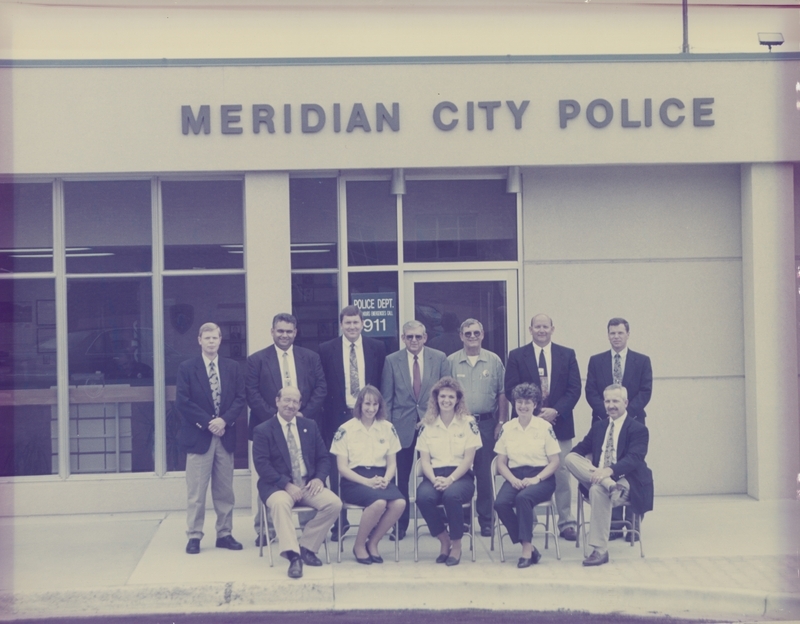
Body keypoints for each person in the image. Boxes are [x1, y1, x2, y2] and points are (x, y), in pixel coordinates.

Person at [246, 312, 327, 545]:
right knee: (270, 477)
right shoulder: (257, 360)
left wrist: (301, 415)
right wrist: (278, 418)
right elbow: (252, 393)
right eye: (280, 331)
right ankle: (266, 531)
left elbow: (321, 388)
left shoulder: (310, 357)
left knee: (306, 472)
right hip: (268, 427)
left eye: (289, 331)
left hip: (302, 427)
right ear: (272, 332)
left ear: (295, 332)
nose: (284, 335)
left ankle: (310, 532)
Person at [504, 313, 581, 542]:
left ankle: (566, 522)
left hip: (560, 424)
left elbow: (574, 389)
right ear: (530, 329)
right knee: (526, 468)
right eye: (537, 327)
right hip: (527, 424)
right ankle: (530, 520)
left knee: (562, 473)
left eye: (545, 327)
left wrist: (555, 411)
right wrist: (537, 414)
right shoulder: (517, 355)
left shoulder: (567, 354)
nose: (541, 330)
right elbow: (511, 389)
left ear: (552, 329)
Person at [252, 386, 342, 579]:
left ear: (300, 405)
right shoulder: (263, 430)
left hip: (307, 483)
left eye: (295, 401)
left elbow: (323, 457)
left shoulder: (309, 425)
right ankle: (293, 557)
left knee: (334, 504)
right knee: (280, 504)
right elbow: (262, 465)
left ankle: (307, 547)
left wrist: (318, 478)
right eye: (287, 400)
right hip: (278, 485)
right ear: (277, 401)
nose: (290, 405)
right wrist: (286, 484)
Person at [564, 384, 654, 566]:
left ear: (626, 402)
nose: (611, 405)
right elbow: (578, 451)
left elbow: (634, 459)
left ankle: (600, 551)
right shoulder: (599, 427)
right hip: (603, 480)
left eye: (615, 401)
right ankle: (608, 484)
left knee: (597, 491)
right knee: (570, 458)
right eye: (607, 401)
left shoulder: (638, 429)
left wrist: (609, 471)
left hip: (626, 481)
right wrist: (591, 463)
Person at [177, 322, 246, 555]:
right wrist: (209, 422)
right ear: (199, 340)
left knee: (225, 491)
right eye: (207, 338)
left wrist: (223, 421)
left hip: (225, 435)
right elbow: (183, 402)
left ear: (220, 340)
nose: (211, 341)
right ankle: (194, 535)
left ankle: (224, 534)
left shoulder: (232, 367)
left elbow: (240, 398)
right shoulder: (187, 368)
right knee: (196, 492)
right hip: (200, 437)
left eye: (215, 338)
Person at [319, 305, 387, 541]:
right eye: (347, 323)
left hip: (368, 414)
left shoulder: (376, 347)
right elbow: (324, 385)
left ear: (362, 323)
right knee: (338, 468)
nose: (351, 327)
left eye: (355, 322)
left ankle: (374, 521)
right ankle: (340, 522)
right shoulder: (326, 349)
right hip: (338, 416)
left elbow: (380, 383)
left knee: (372, 462)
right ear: (341, 324)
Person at [380, 320, 450, 541]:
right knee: (400, 478)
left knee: (435, 474)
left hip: (432, 426)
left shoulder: (439, 358)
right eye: (409, 336)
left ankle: (437, 524)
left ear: (425, 337)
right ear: (403, 338)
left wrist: (434, 420)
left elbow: (447, 394)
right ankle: (399, 525)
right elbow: (387, 399)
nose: (414, 340)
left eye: (418, 336)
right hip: (401, 427)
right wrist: (387, 430)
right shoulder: (392, 361)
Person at [585, 317, 652, 538]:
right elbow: (591, 391)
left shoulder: (642, 361)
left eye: (620, 333)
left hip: (632, 423)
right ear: (608, 335)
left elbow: (645, 391)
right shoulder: (596, 361)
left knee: (630, 471)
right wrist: (609, 415)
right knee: (607, 467)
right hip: (605, 425)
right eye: (612, 333)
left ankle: (633, 526)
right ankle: (612, 525)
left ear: (627, 334)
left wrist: (624, 416)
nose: (616, 336)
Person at [330, 385, 406, 564]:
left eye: (375, 404)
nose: (371, 409)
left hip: (381, 478)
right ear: (359, 405)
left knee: (399, 503)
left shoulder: (387, 428)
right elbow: (342, 468)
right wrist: (367, 482)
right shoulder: (345, 429)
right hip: (354, 480)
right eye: (367, 404)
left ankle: (373, 542)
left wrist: (386, 479)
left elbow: (392, 463)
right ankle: (358, 545)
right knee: (378, 503)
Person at [446, 318, 508, 537]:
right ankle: (462, 519)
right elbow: (443, 395)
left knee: (484, 474)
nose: (472, 337)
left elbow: (502, 393)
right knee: (460, 471)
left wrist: (501, 422)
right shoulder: (451, 361)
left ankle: (487, 520)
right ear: (461, 336)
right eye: (468, 333)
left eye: (476, 333)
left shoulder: (494, 361)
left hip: (487, 424)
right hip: (459, 424)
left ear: (482, 335)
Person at [414, 376, 482, 566]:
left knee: (451, 496)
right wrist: (435, 479)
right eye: (443, 396)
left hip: (461, 476)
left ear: (458, 399)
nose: (446, 400)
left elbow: (469, 459)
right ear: (436, 398)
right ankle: (444, 541)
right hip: (434, 475)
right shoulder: (427, 425)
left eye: (451, 397)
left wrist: (450, 479)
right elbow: (424, 460)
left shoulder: (468, 423)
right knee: (423, 497)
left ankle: (457, 545)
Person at [494, 383, 561, 568]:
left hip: (541, 476)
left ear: (535, 404)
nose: (523, 406)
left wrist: (536, 479)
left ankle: (525, 551)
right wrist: (512, 479)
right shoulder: (507, 428)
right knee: (500, 504)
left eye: (527, 402)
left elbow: (555, 462)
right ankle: (530, 547)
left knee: (523, 498)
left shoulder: (544, 427)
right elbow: (501, 462)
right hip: (514, 475)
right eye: (519, 402)